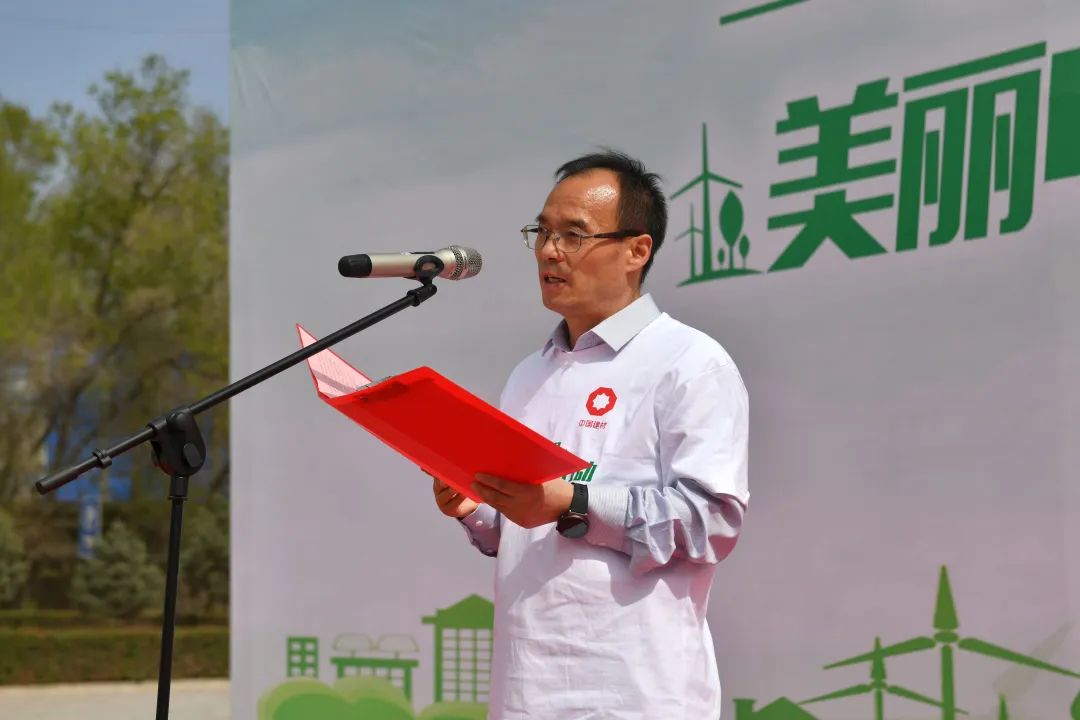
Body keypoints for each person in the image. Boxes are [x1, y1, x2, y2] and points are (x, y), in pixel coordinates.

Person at [432, 150, 749, 718]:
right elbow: (523, 532)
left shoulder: (690, 362)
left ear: (636, 250)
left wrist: (572, 501)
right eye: (542, 233)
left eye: (574, 235)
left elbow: (710, 523)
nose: (549, 251)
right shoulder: (529, 374)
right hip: (525, 690)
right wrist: (475, 506)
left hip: (636, 692)